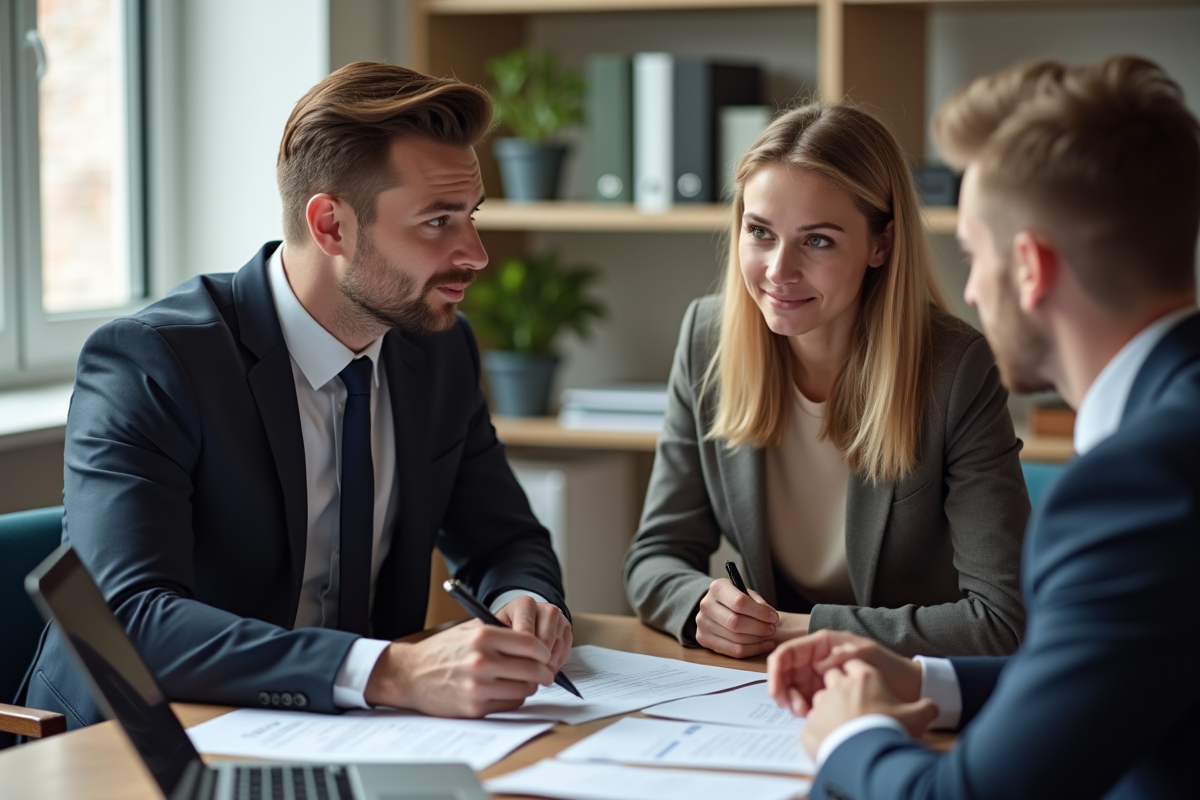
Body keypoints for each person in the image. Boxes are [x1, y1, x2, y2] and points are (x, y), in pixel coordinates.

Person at [22, 62, 573, 729]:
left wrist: (525, 597)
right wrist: (388, 672)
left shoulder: (436, 350)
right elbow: (123, 622)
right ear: (332, 225)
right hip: (137, 743)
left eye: (471, 216)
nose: (476, 253)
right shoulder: (153, 361)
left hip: (345, 735)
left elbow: (503, 538)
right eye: (437, 222)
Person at [767, 55, 1200, 800]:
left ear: (1029, 268)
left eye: (973, 255)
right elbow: (1124, 668)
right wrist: (921, 676)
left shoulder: (1133, 488)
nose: (967, 290)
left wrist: (850, 733)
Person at [623, 102, 1029, 660]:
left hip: (902, 693)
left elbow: (1000, 618)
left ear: (881, 244)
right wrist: (701, 605)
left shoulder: (956, 370)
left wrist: (797, 629)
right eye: (760, 232)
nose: (778, 270)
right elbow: (654, 557)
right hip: (758, 694)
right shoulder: (706, 339)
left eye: (817, 241)